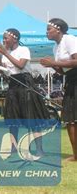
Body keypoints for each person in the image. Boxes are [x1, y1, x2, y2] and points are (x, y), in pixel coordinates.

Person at [0, 28, 50, 154]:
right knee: (13, 117)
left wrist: (5, 54)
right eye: (3, 38)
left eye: (6, 38)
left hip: (25, 83)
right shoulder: (6, 53)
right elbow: (2, 71)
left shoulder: (23, 50)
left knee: (31, 116)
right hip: (13, 84)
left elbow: (20, 65)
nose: (4, 40)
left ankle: (39, 149)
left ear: (15, 38)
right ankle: (14, 147)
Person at [40, 18, 77, 161]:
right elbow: (64, 71)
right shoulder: (56, 47)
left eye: (49, 29)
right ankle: (75, 155)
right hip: (70, 81)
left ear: (58, 29)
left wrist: (54, 62)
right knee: (70, 119)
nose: (46, 32)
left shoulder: (70, 39)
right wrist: (52, 65)